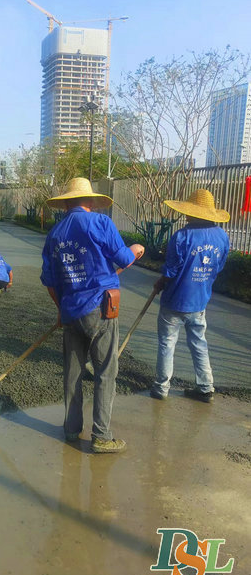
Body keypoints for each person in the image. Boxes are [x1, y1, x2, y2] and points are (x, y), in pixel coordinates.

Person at [41, 177, 145, 453]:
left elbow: (50, 281)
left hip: (71, 312)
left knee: (73, 373)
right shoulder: (100, 224)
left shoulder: (55, 234)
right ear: (90, 201)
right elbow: (123, 259)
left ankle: (72, 429)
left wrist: (61, 311)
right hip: (100, 309)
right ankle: (101, 436)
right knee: (105, 373)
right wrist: (135, 250)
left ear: (67, 204)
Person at [150, 189, 230, 403]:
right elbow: (218, 266)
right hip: (199, 302)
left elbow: (170, 271)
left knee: (167, 343)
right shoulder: (222, 236)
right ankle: (205, 388)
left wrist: (160, 282)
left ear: (192, 213)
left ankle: (161, 388)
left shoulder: (181, 236)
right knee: (199, 343)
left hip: (174, 302)